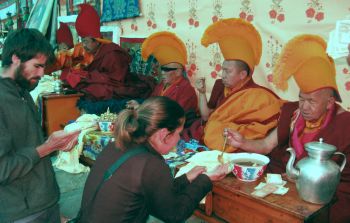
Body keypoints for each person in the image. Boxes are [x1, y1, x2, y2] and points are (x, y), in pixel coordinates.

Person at [226, 34, 350, 223]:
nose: (304, 107)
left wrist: (304, 179)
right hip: (284, 176)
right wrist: (242, 141)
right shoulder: (293, 112)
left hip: (326, 188)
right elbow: (267, 145)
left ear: (329, 102)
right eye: (301, 98)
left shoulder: (344, 122)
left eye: (311, 101)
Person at [78, 96, 228, 222]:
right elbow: (175, 214)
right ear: (164, 134)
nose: (179, 139)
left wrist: (186, 178)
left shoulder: (118, 144)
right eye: (179, 133)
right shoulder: (150, 163)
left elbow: (154, 193)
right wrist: (206, 180)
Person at [0, 28, 80, 223]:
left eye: (43, 67)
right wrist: (47, 147)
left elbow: (29, 145)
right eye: (37, 66)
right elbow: (3, 169)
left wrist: (56, 146)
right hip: (22, 211)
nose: (42, 73)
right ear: (16, 58)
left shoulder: (23, 91)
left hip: (46, 201)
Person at [185, 18, 282, 152]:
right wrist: (201, 93)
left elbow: (261, 130)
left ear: (242, 74)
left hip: (231, 141)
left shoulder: (259, 96)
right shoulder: (220, 86)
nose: (222, 74)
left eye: (227, 71)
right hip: (213, 138)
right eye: (222, 69)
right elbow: (206, 117)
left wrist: (219, 127)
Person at [61, 3, 155, 101]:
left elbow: (117, 79)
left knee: (95, 90)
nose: (84, 45)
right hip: (104, 82)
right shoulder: (92, 51)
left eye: (86, 41)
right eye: (82, 41)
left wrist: (88, 76)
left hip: (120, 85)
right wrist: (83, 75)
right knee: (77, 82)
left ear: (96, 40)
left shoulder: (112, 53)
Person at [127, 31, 198, 127]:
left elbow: (175, 116)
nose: (163, 73)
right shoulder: (161, 85)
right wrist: (139, 105)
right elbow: (151, 102)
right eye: (162, 69)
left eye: (167, 70)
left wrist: (141, 109)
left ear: (178, 72)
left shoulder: (186, 90)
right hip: (157, 122)